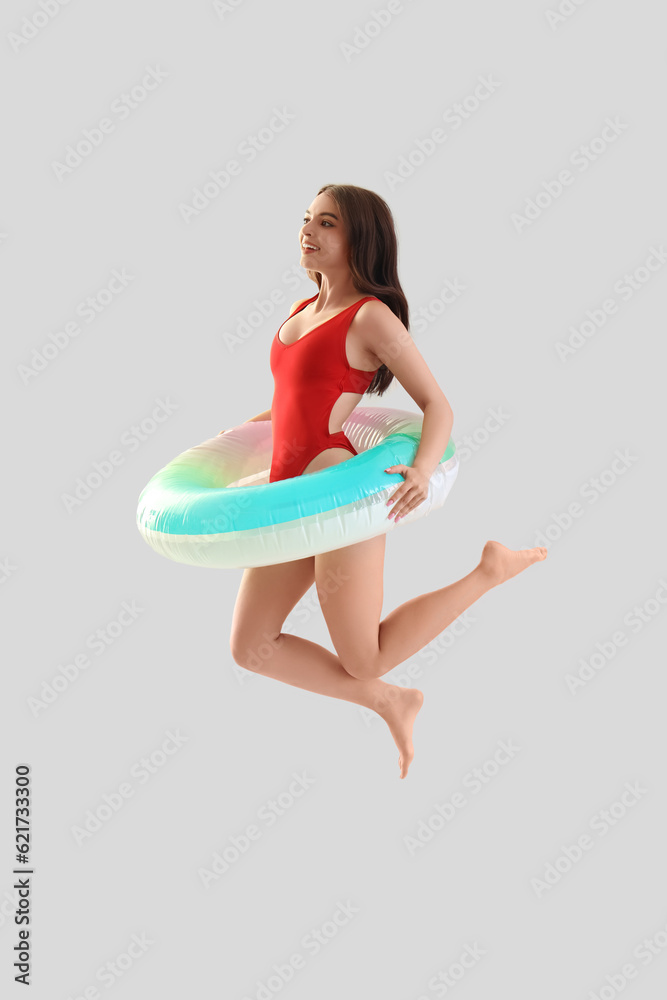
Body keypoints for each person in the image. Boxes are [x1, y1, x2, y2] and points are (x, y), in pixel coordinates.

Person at [224, 184, 546, 779]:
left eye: (327, 224)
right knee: (251, 648)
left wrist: (422, 469)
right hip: (285, 490)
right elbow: (298, 400)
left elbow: (437, 404)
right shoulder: (299, 310)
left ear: (358, 241)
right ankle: (391, 702)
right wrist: (245, 433)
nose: (309, 231)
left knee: (363, 656)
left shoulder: (370, 316)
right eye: (307, 219)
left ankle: (489, 571)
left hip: (337, 491)